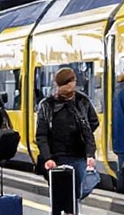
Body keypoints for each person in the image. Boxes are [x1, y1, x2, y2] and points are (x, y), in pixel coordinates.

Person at [37, 67, 102, 201]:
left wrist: (89, 153)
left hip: (78, 156)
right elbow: (41, 135)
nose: (69, 86)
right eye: (65, 83)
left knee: (76, 195)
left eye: (70, 82)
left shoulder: (82, 102)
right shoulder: (47, 105)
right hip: (56, 158)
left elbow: (90, 126)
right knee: (60, 197)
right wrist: (47, 157)